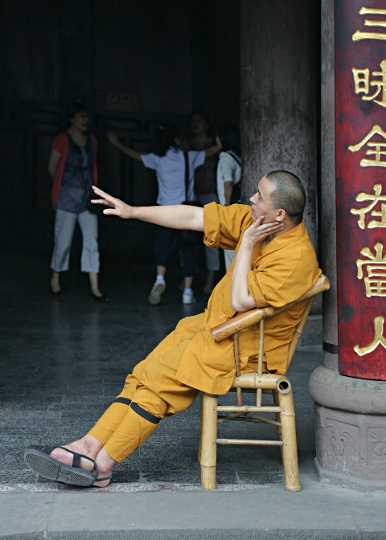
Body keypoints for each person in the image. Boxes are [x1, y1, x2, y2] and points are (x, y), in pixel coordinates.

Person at [24, 170, 322, 488]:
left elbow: (241, 300)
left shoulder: (296, 256)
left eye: (259, 196)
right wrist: (133, 211)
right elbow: (194, 217)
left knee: (159, 384)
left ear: (279, 214)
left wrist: (247, 244)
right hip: (216, 327)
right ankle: (88, 445)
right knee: (142, 374)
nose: (251, 198)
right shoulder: (257, 221)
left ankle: (103, 465)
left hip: (245, 348)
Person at [106, 124, 222, 305]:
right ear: (177, 140)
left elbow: (133, 155)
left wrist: (116, 143)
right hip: (185, 212)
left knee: (162, 247)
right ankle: (187, 291)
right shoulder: (188, 156)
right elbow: (214, 150)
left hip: (163, 212)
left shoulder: (157, 158)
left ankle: (160, 279)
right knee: (188, 249)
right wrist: (216, 136)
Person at [48, 100, 108, 302]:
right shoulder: (62, 139)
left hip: (87, 199)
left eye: (86, 116)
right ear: (71, 119)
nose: (85, 120)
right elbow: (52, 168)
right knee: (63, 241)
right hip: (67, 198)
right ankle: (55, 279)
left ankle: (94, 285)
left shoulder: (91, 140)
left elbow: (93, 167)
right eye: (81, 116)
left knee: (92, 241)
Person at [184, 111, 221, 294]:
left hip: (211, 192)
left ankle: (210, 279)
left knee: (212, 237)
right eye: (193, 121)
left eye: (199, 121)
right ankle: (188, 278)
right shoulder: (186, 145)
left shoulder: (213, 144)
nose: (195, 124)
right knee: (189, 239)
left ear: (207, 125)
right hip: (191, 194)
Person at [216, 125, 242, 270]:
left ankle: (232, 289)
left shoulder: (225, 157)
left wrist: (225, 206)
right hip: (237, 206)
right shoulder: (236, 156)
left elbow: (228, 182)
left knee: (230, 252)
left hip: (229, 209)